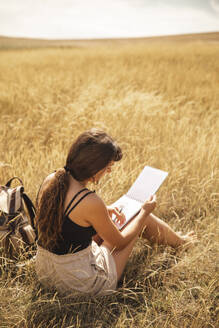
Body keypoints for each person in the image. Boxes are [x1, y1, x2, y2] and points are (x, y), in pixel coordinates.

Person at [35, 128, 196, 296]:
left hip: (46, 272)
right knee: (137, 218)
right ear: (95, 167)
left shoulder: (52, 180)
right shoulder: (89, 200)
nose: (109, 172)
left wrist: (106, 210)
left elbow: (66, 221)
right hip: (79, 284)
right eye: (109, 167)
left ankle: (179, 240)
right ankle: (182, 243)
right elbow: (120, 242)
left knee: (120, 221)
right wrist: (144, 213)